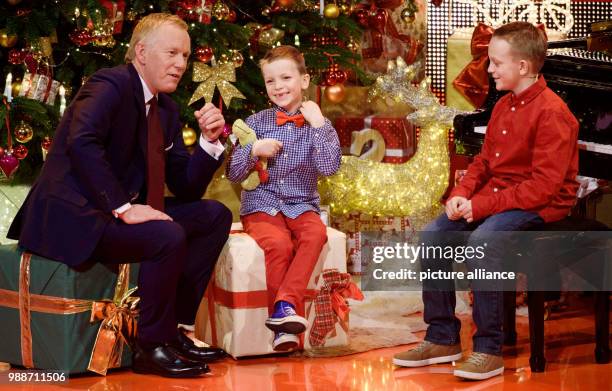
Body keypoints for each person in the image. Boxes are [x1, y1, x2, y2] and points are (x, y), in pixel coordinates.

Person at [7, 13, 232, 378]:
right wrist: (124, 207)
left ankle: (175, 330)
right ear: (141, 52)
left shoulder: (167, 110)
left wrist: (208, 143)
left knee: (213, 215)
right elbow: (83, 142)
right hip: (75, 215)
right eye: (172, 52)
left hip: (112, 211)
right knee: (166, 234)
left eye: (186, 56)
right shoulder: (109, 84)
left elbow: (187, 187)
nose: (180, 64)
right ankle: (151, 347)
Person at [393, 21, 579, 380]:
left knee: (484, 241)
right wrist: (461, 194)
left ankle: (489, 349)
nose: (489, 69)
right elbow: (483, 163)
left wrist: (481, 206)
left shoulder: (553, 113)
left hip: (542, 205)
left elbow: (542, 188)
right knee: (434, 236)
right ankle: (442, 336)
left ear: (522, 67)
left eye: (496, 62)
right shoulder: (502, 106)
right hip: (499, 195)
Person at [226, 45, 341, 351]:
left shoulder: (318, 124)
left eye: (286, 78)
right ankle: (284, 330)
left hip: (302, 203)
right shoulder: (256, 122)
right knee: (277, 244)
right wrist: (253, 151)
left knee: (315, 234)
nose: (278, 87)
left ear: (304, 81)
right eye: (270, 81)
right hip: (261, 203)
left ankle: (283, 308)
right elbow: (234, 173)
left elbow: (329, 167)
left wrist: (319, 126)